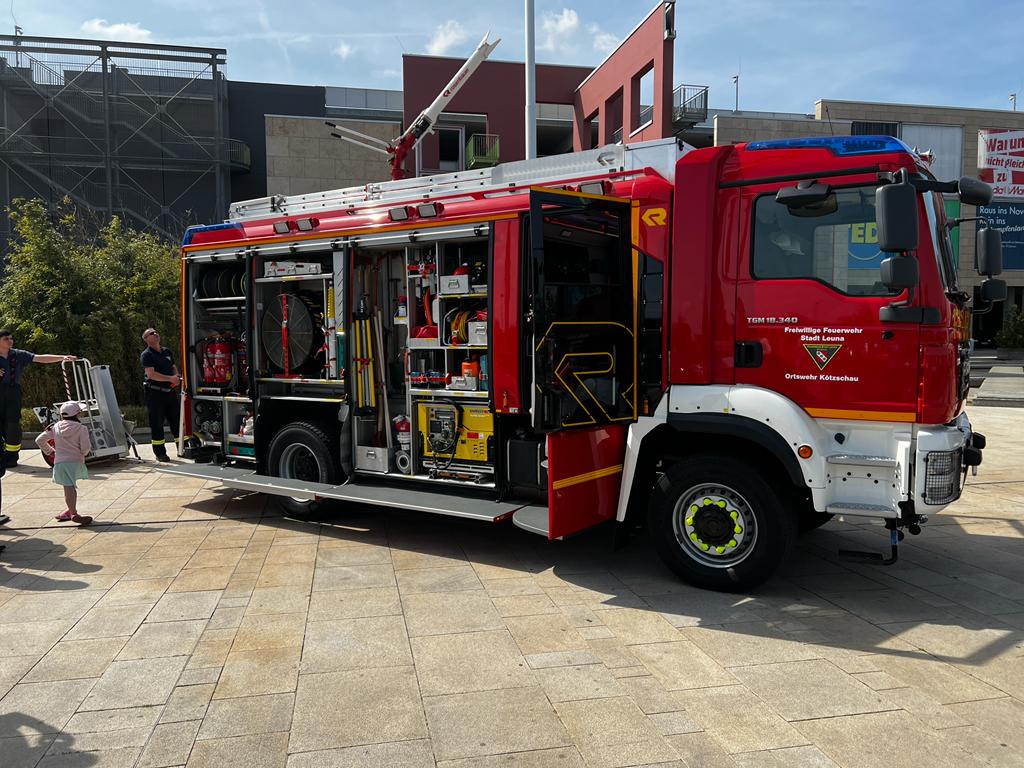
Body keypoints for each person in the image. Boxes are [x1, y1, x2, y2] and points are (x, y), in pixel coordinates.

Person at [0, 330, 77, 471]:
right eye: (6, 339)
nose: (10, 341)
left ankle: (11, 458)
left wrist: (62, 357)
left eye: (11, 338)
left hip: (13, 393)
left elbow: (40, 358)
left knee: (13, 425)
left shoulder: (18, 355)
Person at [34, 401, 93, 526]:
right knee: (71, 486)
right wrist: (83, 453)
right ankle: (73, 513)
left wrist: (50, 451)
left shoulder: (55, 427)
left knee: (68, 486)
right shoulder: (81, 428)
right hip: (76, 461)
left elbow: (39, 440)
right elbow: (86, 447)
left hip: (61, 462)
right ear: (77, 414)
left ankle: (71, 511)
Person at [140, 328, 180, 462]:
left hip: (170, 392)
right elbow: (151, 374)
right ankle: (160, 453)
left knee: (177, 421)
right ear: (146, 339)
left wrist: (176, 376)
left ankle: (182, 448)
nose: (156, 334)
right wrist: (170, 379)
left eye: (156, 332)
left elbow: (173, 366)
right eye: (151, 333)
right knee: (157, 424)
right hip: (155, 393)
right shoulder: (147, 355)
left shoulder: (167, 351)